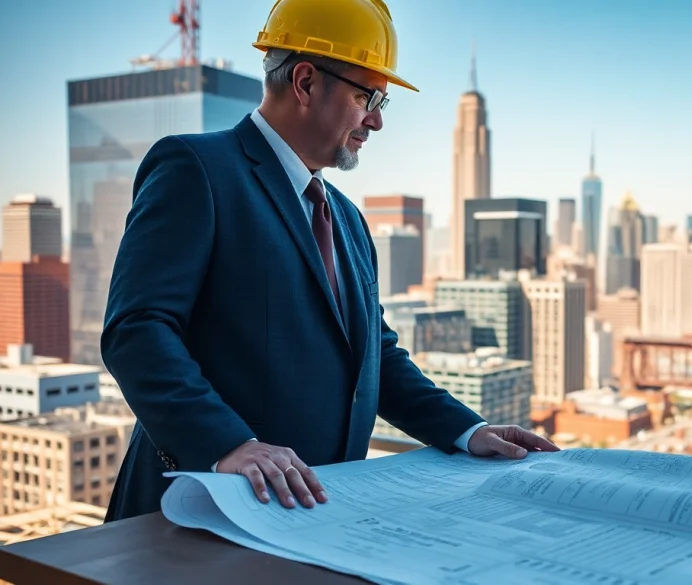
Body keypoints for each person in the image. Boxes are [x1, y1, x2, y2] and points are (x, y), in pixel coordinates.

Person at [101, 0, 558, 522]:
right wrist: (229, 445)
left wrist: (468, 431)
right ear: (305, 82)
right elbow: (136, 330)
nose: (378, 120)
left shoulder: (347, 219)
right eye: (367, 95)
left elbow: (375, 360)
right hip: (197, 516)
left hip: (316, 517)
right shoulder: (197, 169)